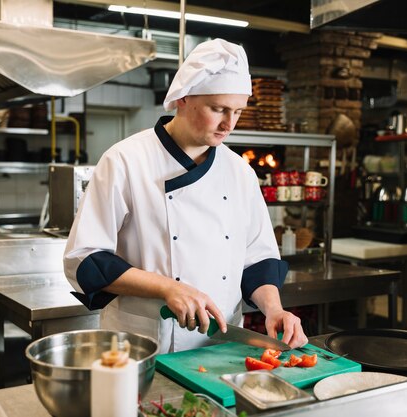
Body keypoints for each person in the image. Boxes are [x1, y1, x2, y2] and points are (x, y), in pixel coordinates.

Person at [64, 38, 308, 353]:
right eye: (218, 109)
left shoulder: (239, 171)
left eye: (237, 111)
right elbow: (85, 258)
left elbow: (257, 258)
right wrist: (168, 287)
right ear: (183, 98)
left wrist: (273, 309)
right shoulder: (125, 160)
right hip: (145, 343)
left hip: (222, 343)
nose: (228, 124)